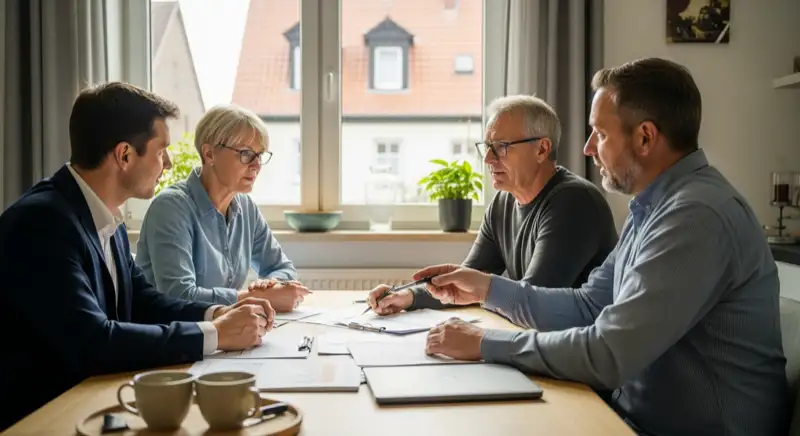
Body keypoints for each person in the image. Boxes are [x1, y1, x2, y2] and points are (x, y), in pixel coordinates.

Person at [414, 58, 789, 436]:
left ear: (645, 137)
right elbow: (588, 306)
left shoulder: (697, 216)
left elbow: (608, 354)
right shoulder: (655, 207)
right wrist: (486, 288)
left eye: (600, 134)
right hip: (627, 418)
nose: (589, 148)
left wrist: (486, 344)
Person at [0, 83, 276, 431]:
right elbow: (94, 341)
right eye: (162, 151)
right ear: (125, 155)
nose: (170, 163)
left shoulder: (103, 215)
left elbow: (143, 301)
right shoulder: (43, 222)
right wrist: (215, 334)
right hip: (44, 415)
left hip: (92, 398)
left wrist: (218, 312)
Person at [368, 95, 618, 315]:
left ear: (542, 149)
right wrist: (407, 297)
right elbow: (468, 280)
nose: (488, 158)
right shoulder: (503, 201)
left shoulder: (573, 202)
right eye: (487, 147)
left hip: (575, 353)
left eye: (501, 147)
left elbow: (532, 300)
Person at [135, 104, 309, 312]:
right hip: (174, 335)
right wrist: (254, 298)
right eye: (245, 153)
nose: (256, 165)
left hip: (222, 332)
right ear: (209, 154)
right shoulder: (170, 208)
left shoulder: (246, 208)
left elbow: (282, 268)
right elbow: (179, 295)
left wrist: (271, 285)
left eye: (260, 155)